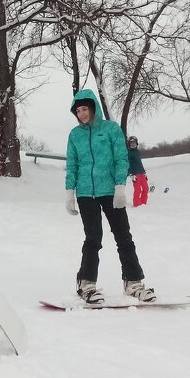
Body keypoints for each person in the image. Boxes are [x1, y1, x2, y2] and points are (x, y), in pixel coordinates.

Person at [64, 88, 155, 304]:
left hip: (110, 191)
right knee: (93, 238)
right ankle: (86, 284)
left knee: (123, 236)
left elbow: (121, 159)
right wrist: (70, 193)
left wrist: (120, 187)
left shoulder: (111, 129)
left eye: (85, 109)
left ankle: (133, 283)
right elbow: (72, 164)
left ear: (93, 107)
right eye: (78, 111)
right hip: (86, 193)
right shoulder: (74, 135)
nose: (82, 114)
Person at [127, 136, 149, 207]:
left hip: (141, 172)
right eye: (131, 143)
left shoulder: (137, 152)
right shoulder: (128, 153)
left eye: (134, 143)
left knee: (146, 188)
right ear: (129, 144)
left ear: (136, 143)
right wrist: (131, 174)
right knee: (138, 189)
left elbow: (139, 163)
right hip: (135, 174)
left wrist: (144, 172)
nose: (133, 144)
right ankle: (137, 204)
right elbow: (128, 164)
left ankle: (143, 203)